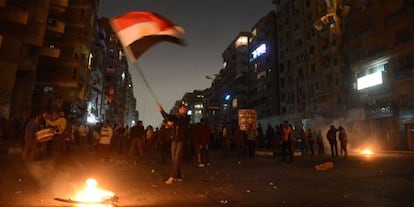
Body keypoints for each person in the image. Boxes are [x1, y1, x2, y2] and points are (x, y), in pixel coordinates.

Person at [157, 103, 190, 184]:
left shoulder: (187, 117)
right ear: (179, 109)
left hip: (181, 140)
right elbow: (167, 117)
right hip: (175, 139)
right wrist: (161, 110)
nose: (184, 109)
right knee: (173, 159)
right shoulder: (176, 117)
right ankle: (178, 176)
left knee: (177, 158)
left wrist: (174, 123)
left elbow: (183, 123)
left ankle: (172, 176)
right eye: (182, 108)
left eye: (185, 108)